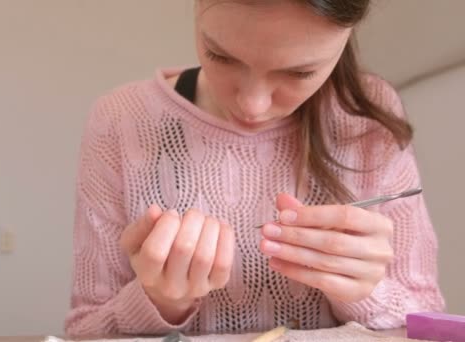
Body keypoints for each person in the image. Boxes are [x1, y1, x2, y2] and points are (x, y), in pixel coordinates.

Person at [64, 0, 445, 338]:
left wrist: (365, 292)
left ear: (346, 36)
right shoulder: (121, 121)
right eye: (221, 55)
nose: (253, 105)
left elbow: (430, 322)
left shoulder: (367, 116)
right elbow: (84, 330)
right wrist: (158, 300)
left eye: (299, 73)